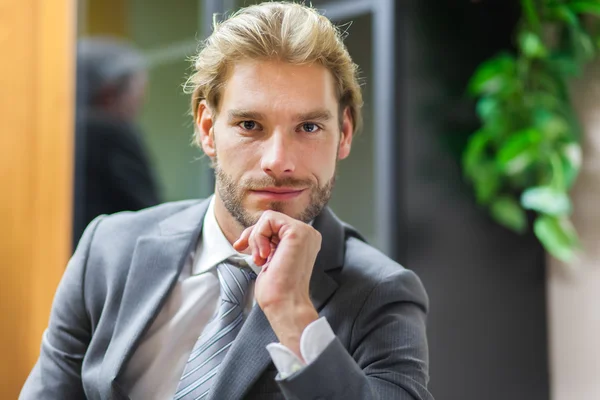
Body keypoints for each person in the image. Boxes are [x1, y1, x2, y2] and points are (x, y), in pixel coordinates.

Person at [20, 3, 433, 399]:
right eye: (250, 125)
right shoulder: (108, 249)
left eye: (308, 126)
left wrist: (293, 315)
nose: (279, 161)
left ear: (342, 134)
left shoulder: (382, 294)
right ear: (207, 128)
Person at [72, 37, 161, 248]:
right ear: (110, 92)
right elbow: (148, 214)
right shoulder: (111, 132)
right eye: (136, 92)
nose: (139, 103)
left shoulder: (60, 130)